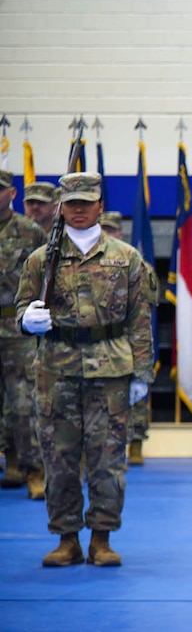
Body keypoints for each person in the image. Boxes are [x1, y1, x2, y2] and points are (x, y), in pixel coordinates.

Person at [15, 172, 154, 566]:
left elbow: (139, 320)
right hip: (56, 369)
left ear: (99, 206)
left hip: (110, 369)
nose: (77, 210)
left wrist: (142, 373)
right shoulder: (41, 259)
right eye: (70, 203)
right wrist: (29, 319)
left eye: (85, 203)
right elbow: (22, 309)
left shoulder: (126, 257)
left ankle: (102, 538)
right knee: (58, 459)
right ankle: (66, 538)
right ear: (61, 207)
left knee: (107, 459)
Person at [0, 170, 48, 497]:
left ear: (11, 193)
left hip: (16, 327)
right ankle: (11, 460)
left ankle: (34, 469)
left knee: (24, 401)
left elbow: (47, 277)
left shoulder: (30, 232)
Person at [100, 210, 158, 467]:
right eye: (103, 229)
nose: (106, 234)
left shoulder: (136, 263)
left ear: (120, 233)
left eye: (111, 230)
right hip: (100, 340)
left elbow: (150, 301)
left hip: (129, 337)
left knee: (134, 397)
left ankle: (135, 443)